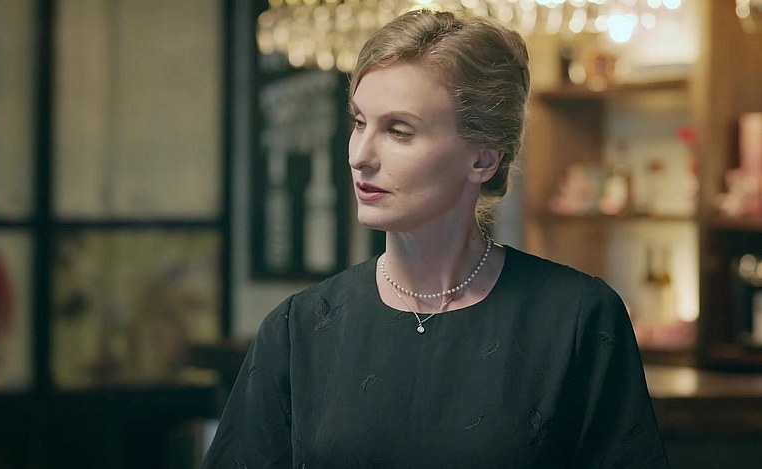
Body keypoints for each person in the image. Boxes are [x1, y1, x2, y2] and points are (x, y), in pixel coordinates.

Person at [203, 8, 669, 468]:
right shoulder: (299, 328)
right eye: (360, 122)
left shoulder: (579, 318)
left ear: (483, 159)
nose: (360, 156)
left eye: (398, 131)